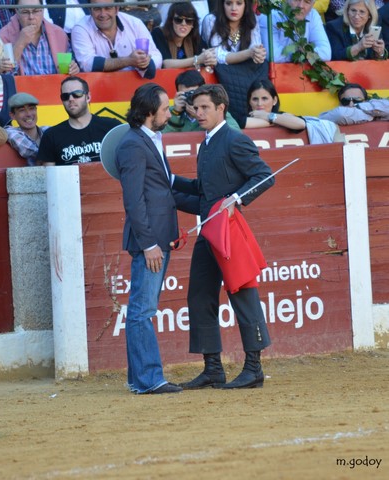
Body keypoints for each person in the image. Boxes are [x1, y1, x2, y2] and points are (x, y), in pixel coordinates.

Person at [172, 84, 274, 390]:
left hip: (228, 232)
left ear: (221, 109)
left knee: (243, 294)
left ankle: (254, 368)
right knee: (199, 295)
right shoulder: (205, 144)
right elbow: (204, 193)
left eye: (205, 108)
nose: (198, 113)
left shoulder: (234, 140)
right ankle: (213, 368)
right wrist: (170, 186)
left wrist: (238, 198)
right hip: (209, 231)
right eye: (196, 108)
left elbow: (265, 175)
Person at [115, 83, 198, 394]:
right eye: (164, 109)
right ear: (149, 112)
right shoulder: (133, 145)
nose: (169, 113)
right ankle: (149, 379)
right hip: (149, 241)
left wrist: (199, 189)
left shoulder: (149, 139)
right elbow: (134, 200)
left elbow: (166, 182)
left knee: (142, 308)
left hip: (159, 237)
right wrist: (149, 243)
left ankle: (139, 379)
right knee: (142, 310)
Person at [201, 0, 269, 127]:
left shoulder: (251, 19)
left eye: (239, 3)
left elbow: (255, 48)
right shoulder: (211, 19)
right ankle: (239, 119)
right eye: (228, 3)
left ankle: (262, 113)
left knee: (263, 64)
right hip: (222, 70)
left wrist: (258, 55)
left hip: (245, 68)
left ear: (246, 5)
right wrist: (249, 53)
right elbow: (219, 56)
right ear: (222, 4)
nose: (234, 8)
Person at [36, 76, 121, 165]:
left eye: (77, 94)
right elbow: (50, 176)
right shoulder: (51, 136)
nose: (71, 99)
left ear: (88, 97)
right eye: (65, 96)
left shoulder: (112, 127)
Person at [71, 0, 162, 78]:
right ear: (90, 10)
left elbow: (156, 55)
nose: (103, 14)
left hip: (137, 87)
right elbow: (88, 64)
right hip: (97, 88)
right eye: (97, 8)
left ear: (117, 9)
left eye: (108, 8)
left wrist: (145, 62)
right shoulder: (80, 28)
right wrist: (128, 61)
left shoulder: (134, 23)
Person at [0, 0, 80, 75]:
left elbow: (69, 67)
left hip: (55, 87)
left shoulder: (59, 34)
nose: (31, 17)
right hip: (22, 89)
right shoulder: (4, 36)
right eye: (25, 12)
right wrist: (20, 44)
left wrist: (73, 68)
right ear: (17, 12)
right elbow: (4, 75)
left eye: (36, 11)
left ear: (43, 10)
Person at [163, 68, 240, 132]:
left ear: (203, 91)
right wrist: (176, 114)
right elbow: (161, 138)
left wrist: (200, 116)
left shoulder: (214, 109)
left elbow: (235, 132)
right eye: (185, 94)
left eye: (193, 93)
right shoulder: (171, 112)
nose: (190, 97)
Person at [259, 0, 332, 63]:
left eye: (307, 2)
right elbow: (272, 56)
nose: (300, 6)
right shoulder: (269, 16)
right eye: (296, 0)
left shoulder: (313, 15)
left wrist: (303, 54)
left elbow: (326, 53)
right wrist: (299, 53)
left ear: (313, 4)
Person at [151, 2, 217, 69]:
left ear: (193, 24)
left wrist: (209, 59)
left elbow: (205, 56)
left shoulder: (194, 36)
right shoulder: (158, 33)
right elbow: (165, 64)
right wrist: (197, 59)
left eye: (188, 21)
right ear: (171, 21)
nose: (183, 24)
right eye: (178, 20)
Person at [5, 92, 48, 165]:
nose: (28, 114)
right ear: (12, 116)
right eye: (22, 110)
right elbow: (28, 150)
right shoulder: (11, 132)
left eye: (31, 109)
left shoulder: (47, 130)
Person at [319, 82, 389, 123]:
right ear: (340, 104)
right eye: (346, 101)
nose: (351, 104)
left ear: (366, 101)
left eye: (357, 101)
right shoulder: (331, 118)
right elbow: (340, 114)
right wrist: (372, 115)